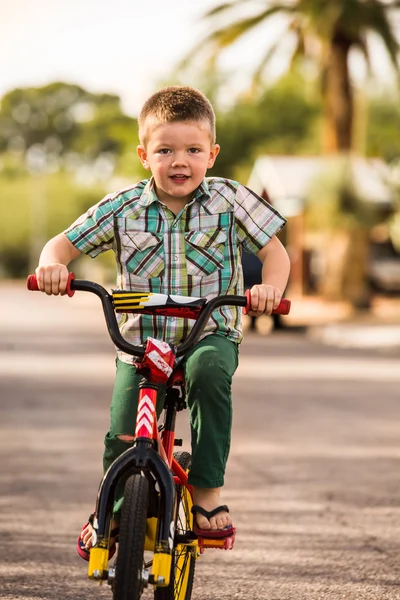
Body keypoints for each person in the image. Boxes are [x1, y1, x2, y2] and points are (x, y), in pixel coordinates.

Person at [35, 86, 291, 559]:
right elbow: (60, 245)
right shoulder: (123, 207)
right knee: (122, 429)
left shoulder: (231, 200)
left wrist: (269, 288)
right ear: (143, 154)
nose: (180, 161)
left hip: (207, 334)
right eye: (165, 150)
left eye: (193, 150)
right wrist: (53, 265)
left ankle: (208, 491)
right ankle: (111, 511)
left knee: (209, 373)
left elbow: (275, 253)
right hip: (140, 343)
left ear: (211, 154)